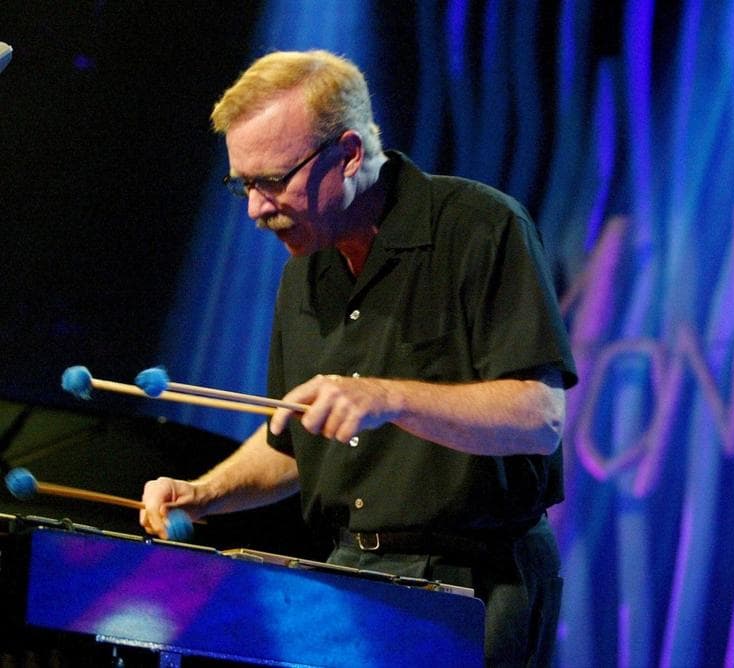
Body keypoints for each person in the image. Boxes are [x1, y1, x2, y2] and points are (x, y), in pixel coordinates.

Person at [140, 50, 576, 666]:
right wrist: (203, 492)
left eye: (272, 180)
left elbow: (540, 419)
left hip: (477, 581)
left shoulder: (482, 228)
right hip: (349, 570)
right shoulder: (304, 268)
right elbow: (293, 442)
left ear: (347, 154)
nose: (255, 209)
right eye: (243, 184)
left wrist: (387, 396)